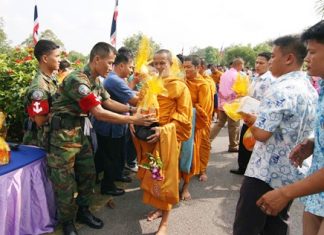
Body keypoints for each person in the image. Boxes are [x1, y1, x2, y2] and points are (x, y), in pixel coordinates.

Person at [47, 42, 155, 235]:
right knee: (65, 182)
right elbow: (98, 112)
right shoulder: (78, 80)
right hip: (62, 137)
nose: (112, 67)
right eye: (110, 63)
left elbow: (108, 101)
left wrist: (133, 109)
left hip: (80, 133)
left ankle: (84, 211)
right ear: (97, 60)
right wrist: (133, 118)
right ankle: (67, 222)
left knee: (88, 174)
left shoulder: (96, 80)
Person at [233, 35, 318, 235]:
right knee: (276, 226)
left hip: (264, 172)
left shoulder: (279, 88)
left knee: (247, 227)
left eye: (272, 56)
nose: (270, 61)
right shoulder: (310, 89)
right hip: (290, 173)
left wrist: (250, 119)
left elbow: (262, 134)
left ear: (288, 58)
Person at [256, 20, 324, 235]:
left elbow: (262, 133)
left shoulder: (282, 88)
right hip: (317, 195)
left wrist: (286, 193)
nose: (308, 58)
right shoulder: (320, 85)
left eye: (312, 52)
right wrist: (313, 144)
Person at [133, 49, 192, 235]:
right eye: (155, 63)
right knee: (154, 175)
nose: (158, 67)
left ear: (171, 64)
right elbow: (140, 105)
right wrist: (134, 119)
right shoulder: (149, 84)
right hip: (149, 138)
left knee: (165, 179)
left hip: (167, 139)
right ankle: (160, 208)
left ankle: (164, 224)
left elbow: (184, 117)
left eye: (162, 63)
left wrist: (163, 130)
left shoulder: (179, 86)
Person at [93, 47, 138, 196]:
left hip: (116, 125)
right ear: (121, 65)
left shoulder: (112, 79)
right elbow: (132, 99)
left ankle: (114, 177)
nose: (131, 70)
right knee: (110, 157)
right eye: (131, 66)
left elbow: (111, 100)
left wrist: (130, 112)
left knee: (116, 154)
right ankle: (107, 186)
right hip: (109, 126)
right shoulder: (113, 80)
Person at [230, 52, 274, 175]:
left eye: (261, 63)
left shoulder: (270, 80)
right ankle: (243, 168)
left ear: (269, 64)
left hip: (258, 118)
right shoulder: (255, 77)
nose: (257, 65)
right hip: (248, 115)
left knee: (253, 145)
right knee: (244, 143)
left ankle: (250, 170)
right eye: (256, 62)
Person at [23, 39, 60, 148]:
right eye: (57, 56)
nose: (60, 60)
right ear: (45, 58)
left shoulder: (51, 79)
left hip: (48, 138)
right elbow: (40, 121)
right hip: (38, 141)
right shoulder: (39, 87)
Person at [210, 58, 244, 152]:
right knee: (234, 125)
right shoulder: (237, 75)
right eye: (242, 65)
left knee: (220, 123)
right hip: (232, 104)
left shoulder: (224, 74)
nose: (243, 67)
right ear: (239, 65)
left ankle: (207, 141)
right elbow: (238, 90)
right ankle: (233, 145)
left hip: (222, 103)